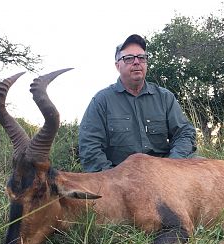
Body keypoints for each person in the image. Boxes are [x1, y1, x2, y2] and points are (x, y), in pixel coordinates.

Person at [79, 34, 197, 172]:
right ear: (117, 65)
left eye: (141, 58)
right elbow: (89, 147)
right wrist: (112, 179)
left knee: (204, 168)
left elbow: (184, 133)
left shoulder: (165, 97)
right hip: (120, 178)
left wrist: (172, 166)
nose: (136, 62)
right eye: (128, 58)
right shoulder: (101, 101)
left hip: (164, 173)